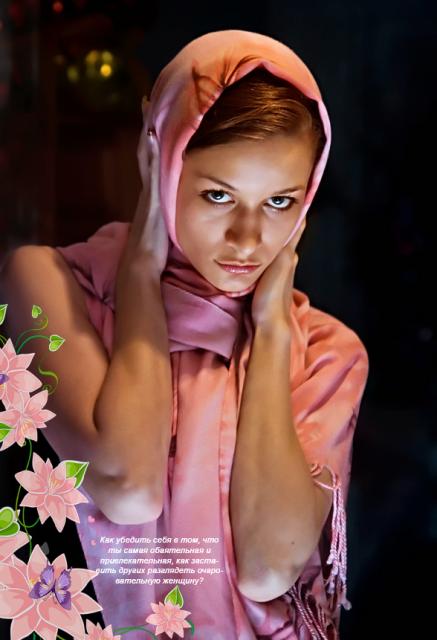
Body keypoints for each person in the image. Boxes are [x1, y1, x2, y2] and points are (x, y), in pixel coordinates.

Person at [0, 30, 369, 639]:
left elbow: (269, 569)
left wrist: (271, 331)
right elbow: (127, 487)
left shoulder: (327, 353)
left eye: (280, 202)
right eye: (218, 194)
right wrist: (140, 278)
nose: (248, 239)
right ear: (161, 161)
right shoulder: (49, 286)